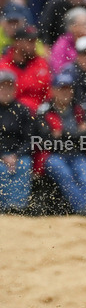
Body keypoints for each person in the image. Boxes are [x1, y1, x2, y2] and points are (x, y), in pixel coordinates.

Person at [35, 71, 86, 215]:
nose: (65, 92)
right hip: (53, 156)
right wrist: (77, 133)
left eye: (68, 88)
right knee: (64, 173)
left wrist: (62, 133)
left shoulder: (82, 109)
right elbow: (44, 140)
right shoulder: (43, 110)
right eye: (61, 88)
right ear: (53, 90)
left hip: (78, 154)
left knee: (85, 176)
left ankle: (84, 210)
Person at [0, 69, 34, 213]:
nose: (6, 90)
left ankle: (18, 209)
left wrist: (15, 156)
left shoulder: (23, 110)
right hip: (1, 155)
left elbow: (30, 140)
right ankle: (4, 209)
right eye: (3, 86)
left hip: (18, 155)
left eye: (10, 86)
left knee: (24, 165)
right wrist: (3, 156)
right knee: (1, 169)